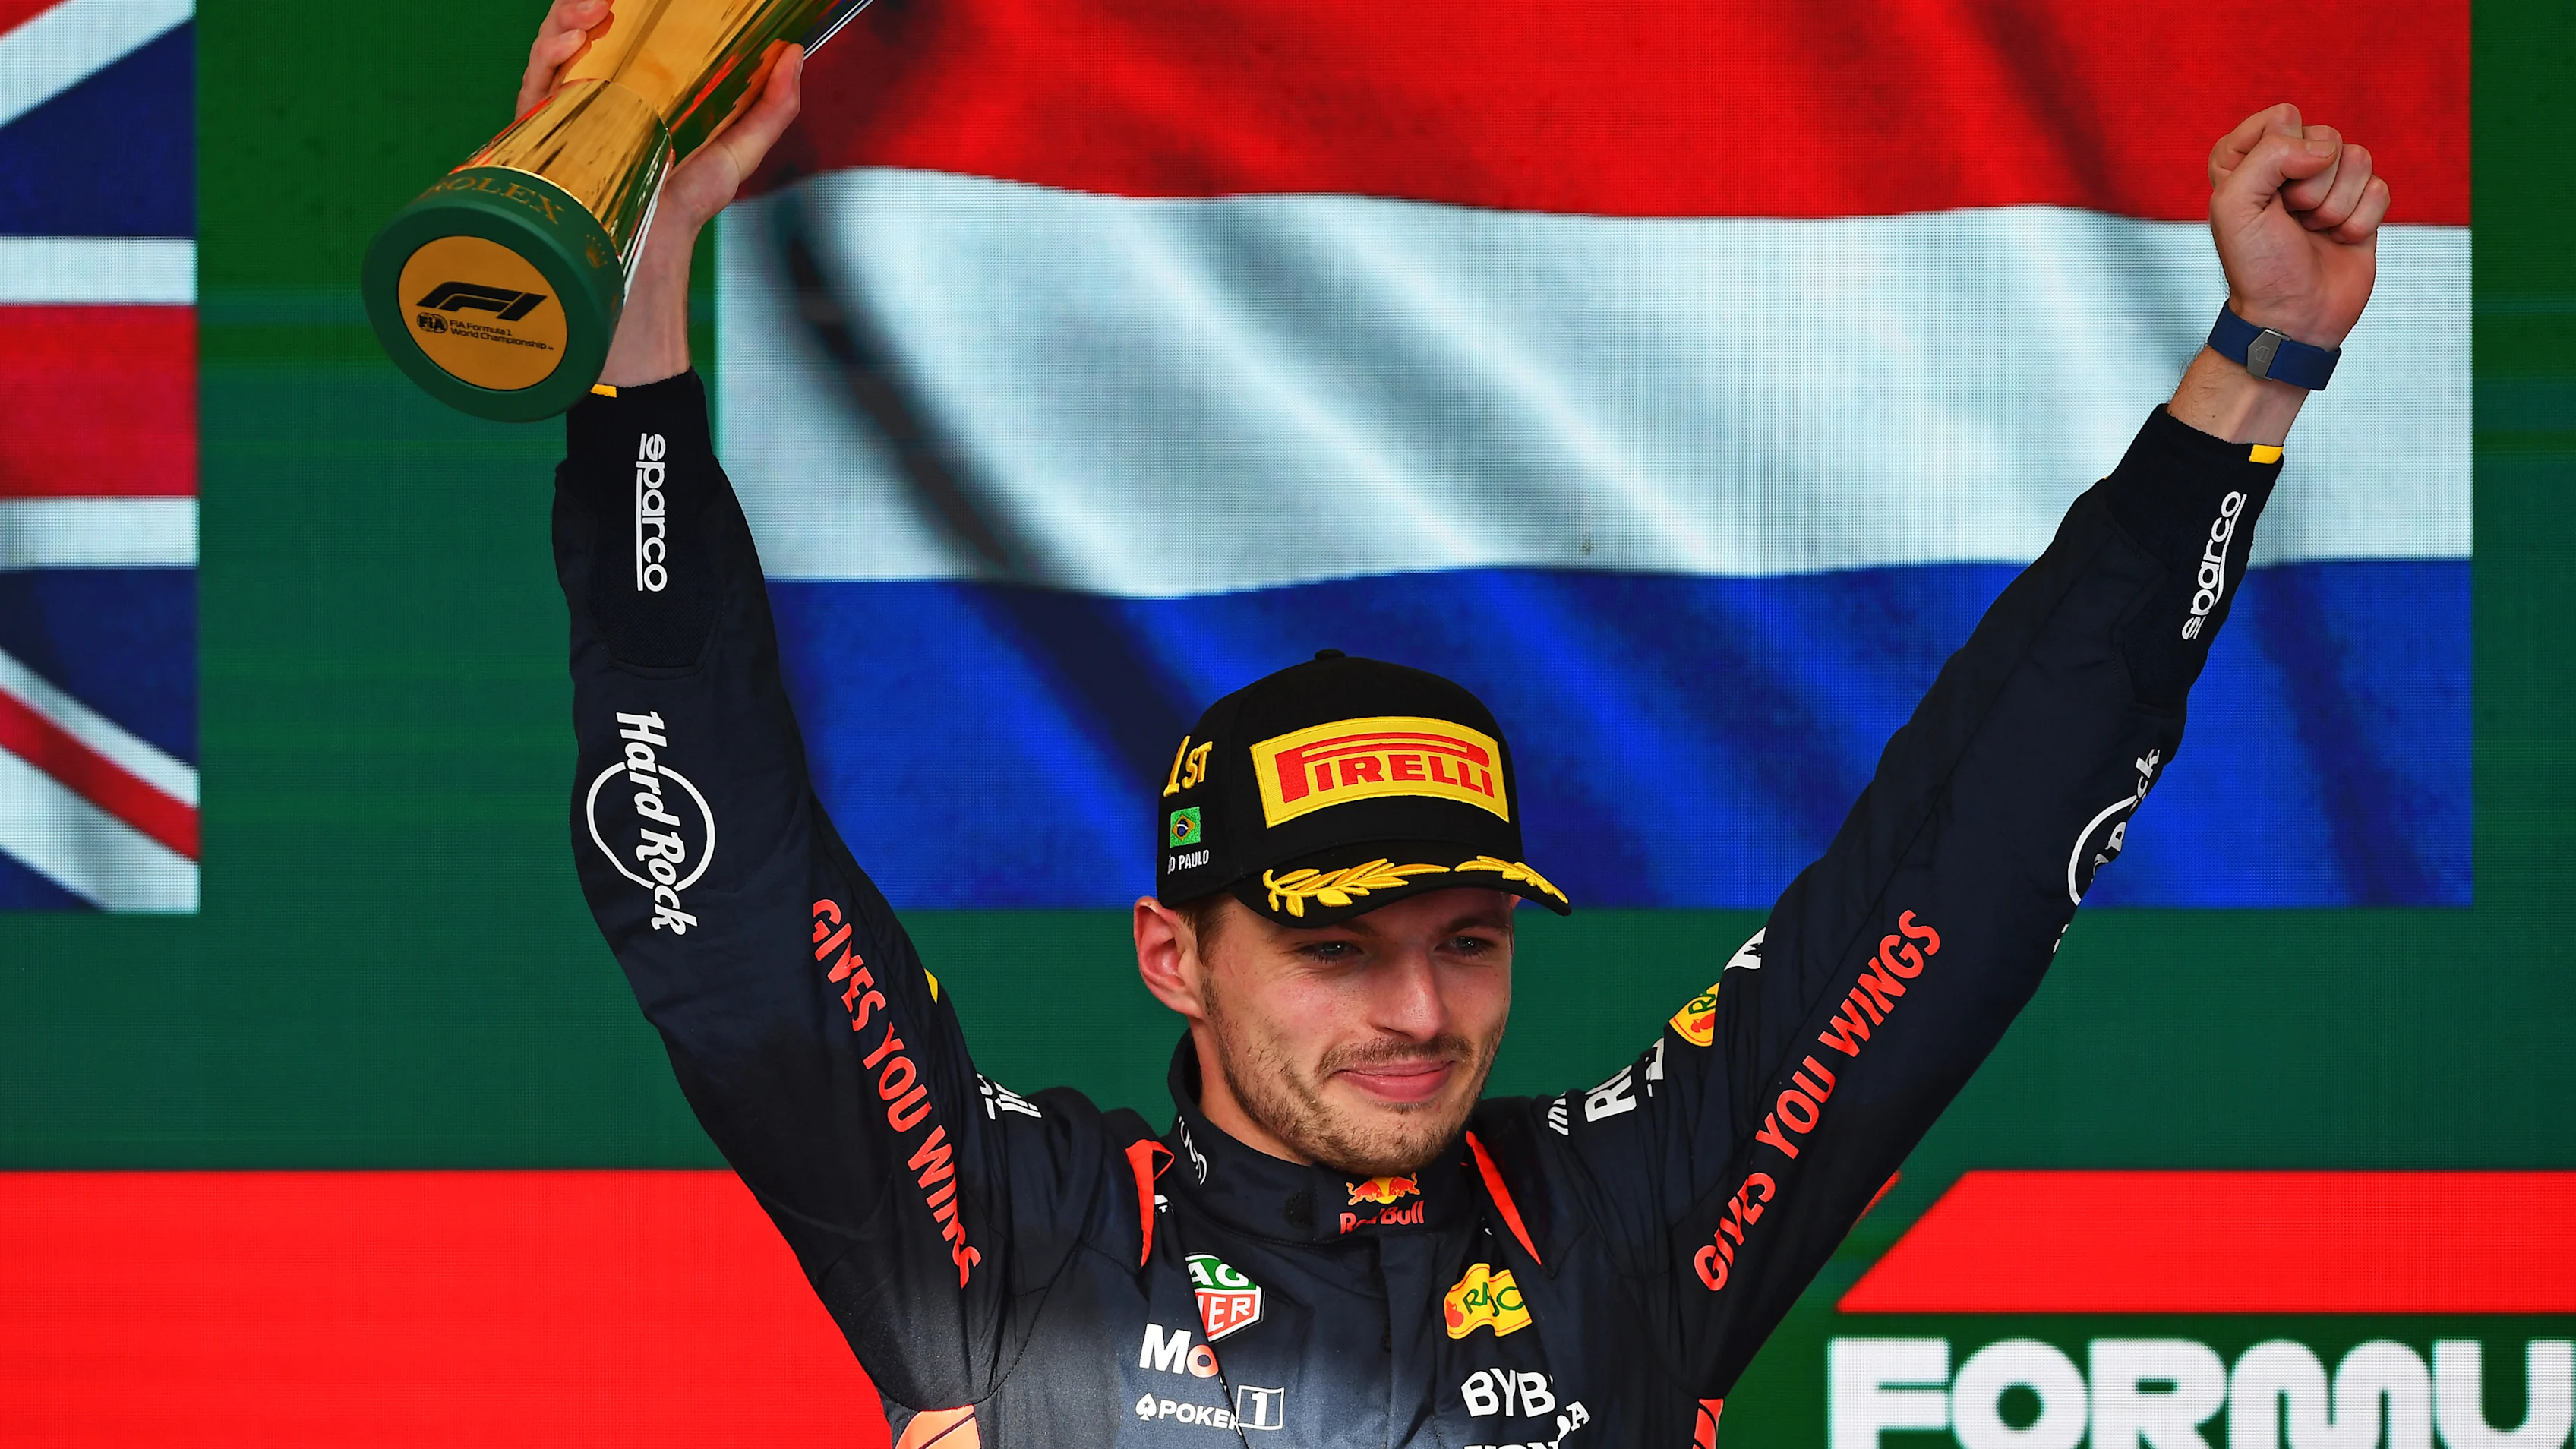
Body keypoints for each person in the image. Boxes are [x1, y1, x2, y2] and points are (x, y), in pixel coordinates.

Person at [525, 4, 2392, 1444]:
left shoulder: (1633, 1222)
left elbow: (1969, 857)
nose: (1419, 1014)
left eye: (1467, 940)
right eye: (1335, 947)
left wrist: (2258, 367)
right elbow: (721, 901)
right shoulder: (1011, 1240)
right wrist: (640, 279)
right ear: (1173, 954)